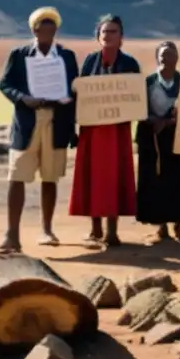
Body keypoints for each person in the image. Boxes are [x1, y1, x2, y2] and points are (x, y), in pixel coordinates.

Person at [0, 7, 79, 255]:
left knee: (50, 176)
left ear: (56, 29)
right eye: (41, 27)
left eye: (50, 27)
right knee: (17, 175)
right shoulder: (19, 55)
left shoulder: (66, 56)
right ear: (33, 30)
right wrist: (23, 98)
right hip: (27, 122)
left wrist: (70, 111)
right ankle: (12, 234)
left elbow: (75, 90)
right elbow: (5, 84)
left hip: (57, 121)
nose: (46, 31)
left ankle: (47, 229)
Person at [68, 14, 141, 249]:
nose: (108, 36)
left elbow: (136, 97)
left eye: (113, 32)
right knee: (92, 177)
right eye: (105, 32)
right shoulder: (90, 61)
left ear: (122, 37)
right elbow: (80, 93)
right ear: (98, 37)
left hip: (117, 132)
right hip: (92, 130)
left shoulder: (129, 63)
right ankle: (94, 228)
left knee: (113, 178)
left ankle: (112, 232)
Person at [136, 41, 180, 242]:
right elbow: (139, 110)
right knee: (157, 181)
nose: (165, 58)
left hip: (179, 139)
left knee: (179, 181)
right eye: (162, 55)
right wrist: (156, 122)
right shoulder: (148, 83)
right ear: (157, 57)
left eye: (170, 54)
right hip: (154, 140)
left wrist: (171, 122)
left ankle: (179, 227)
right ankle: (161, 226)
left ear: (177, 58)